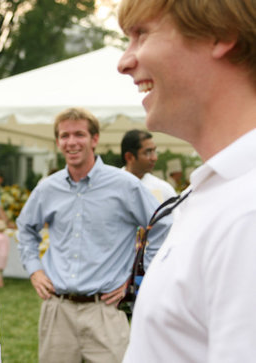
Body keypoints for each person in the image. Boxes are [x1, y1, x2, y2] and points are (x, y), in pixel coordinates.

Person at [117, 0, 256, 362]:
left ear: (219, 33)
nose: (124, 61)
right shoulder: (215, 192)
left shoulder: (247, 212)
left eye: (141, 34)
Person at [16, 107, 172, 363]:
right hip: (58, 311)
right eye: (65, 136)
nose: (72, 142)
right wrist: (34, 269)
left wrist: (137, 279)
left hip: (106, 312)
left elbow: (162, 225)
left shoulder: (125, 184)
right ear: (58, 142)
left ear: (95, 139)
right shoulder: (48, 188)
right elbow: (25, 228)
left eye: (79, 134)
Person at [121, 129, 176, 202]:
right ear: (129, 157)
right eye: (148, 152)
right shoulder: (112, 186)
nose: (154, 158)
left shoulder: (163, 189)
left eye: (154, 151)